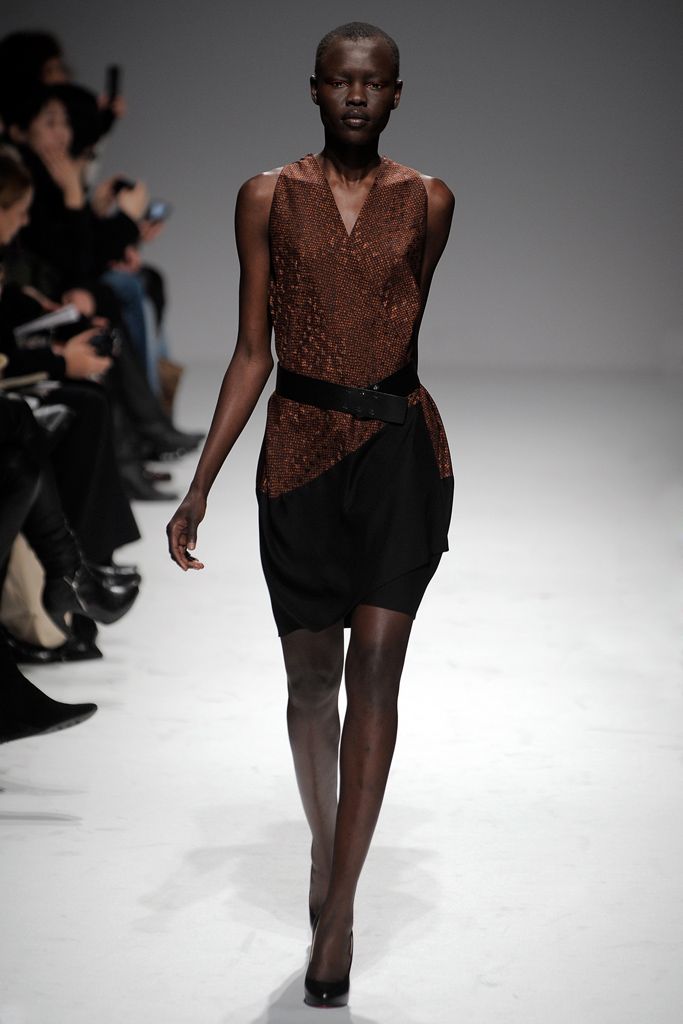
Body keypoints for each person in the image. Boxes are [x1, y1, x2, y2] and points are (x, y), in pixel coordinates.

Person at [167, 22, 454, 1008]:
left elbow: (399, 332)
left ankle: (338, 915)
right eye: (339, 81)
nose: (356, 96)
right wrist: (201, 482)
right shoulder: (265, 197)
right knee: (307, 683)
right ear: (314, 89)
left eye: (372, 83)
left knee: (374, 671)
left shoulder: (429, 200)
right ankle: (325, 851)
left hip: (399, 458)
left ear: (396, 93)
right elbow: (252, 348)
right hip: (295, 456)